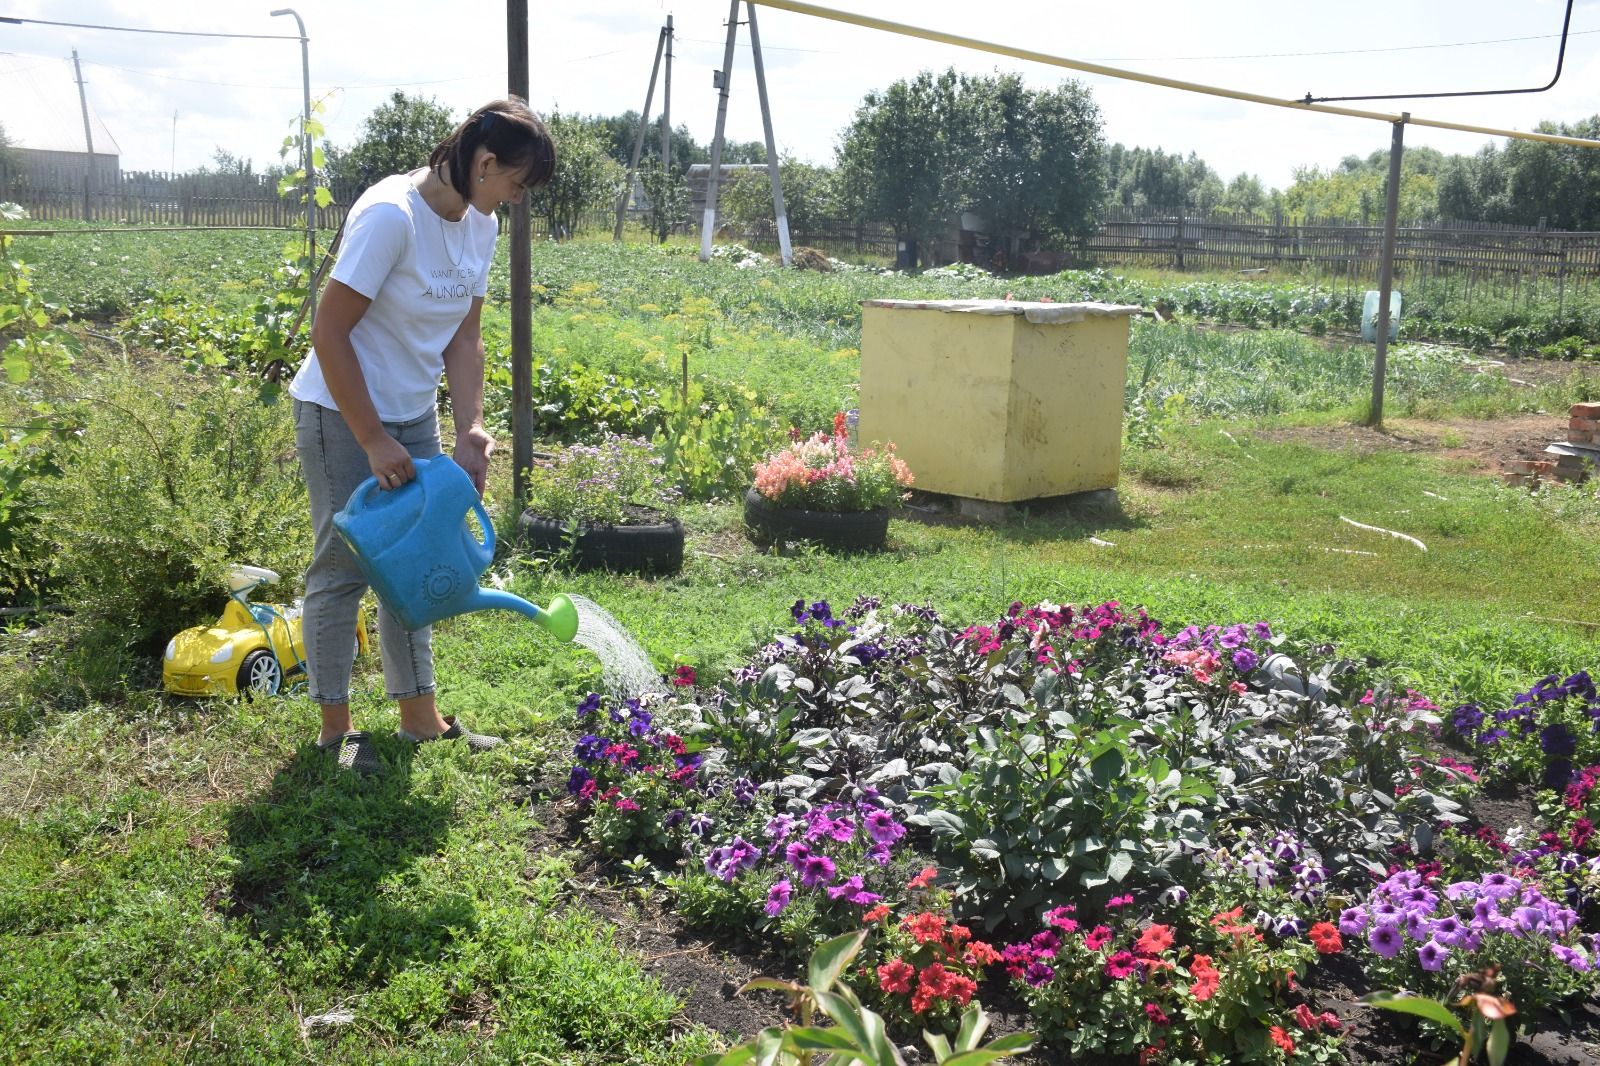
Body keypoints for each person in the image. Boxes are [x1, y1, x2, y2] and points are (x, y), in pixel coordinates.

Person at [289, 98, 555, 773]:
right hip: (342, 410)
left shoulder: (479, 224)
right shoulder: (390, 217)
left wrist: (469, 426)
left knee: (418, 560)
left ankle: (419, 718)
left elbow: (464, 338)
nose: (517, 200)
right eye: (516, 184)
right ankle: (334, 733)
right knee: (343, 563)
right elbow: (329, 334)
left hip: (411, 411)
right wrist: (374, 438)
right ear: (485, 162)